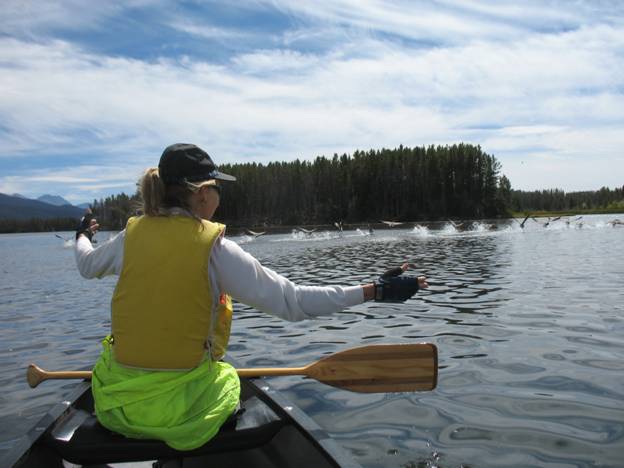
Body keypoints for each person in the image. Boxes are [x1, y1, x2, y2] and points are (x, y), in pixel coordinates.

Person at [74, 143, 429, 451]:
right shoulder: (215, 249)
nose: (218, 196)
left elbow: (87, 264)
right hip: (183, 412)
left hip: (117, 403)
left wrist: (81, 235)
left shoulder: (128, 237)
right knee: (226, 375)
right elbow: (294, 302)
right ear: (201, 194)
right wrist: (374, 291)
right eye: (216, 188)